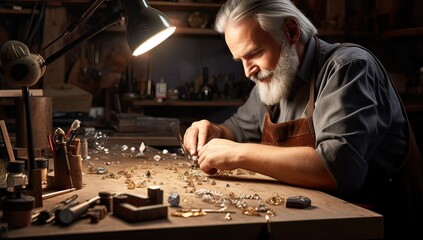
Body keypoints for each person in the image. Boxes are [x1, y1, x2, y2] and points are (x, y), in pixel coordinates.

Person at [183, 0, 423, 238]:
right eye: (241, 61)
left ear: (291, 32)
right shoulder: (272, 79)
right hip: (315, 219)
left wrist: (238, 154)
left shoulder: (349, 68)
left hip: (377, 225)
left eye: (255, 53)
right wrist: (212, 130)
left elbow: (339, 168)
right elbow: (237, 129)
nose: (248, 72)